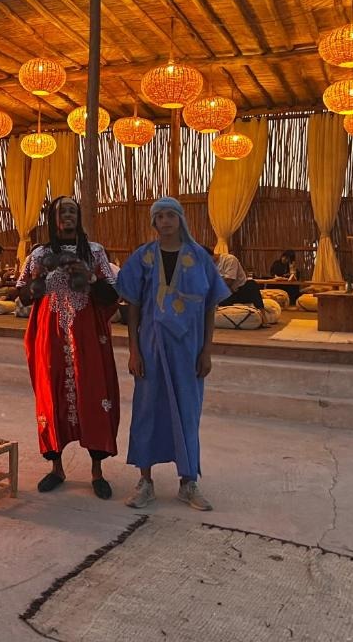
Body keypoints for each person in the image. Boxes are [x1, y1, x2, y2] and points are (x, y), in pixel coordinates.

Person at [117, 197, 230, 512]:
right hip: (151, 348)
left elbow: (210, 308)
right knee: (147, 410)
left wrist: (207, 351)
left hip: (188, 350)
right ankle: (145, 482)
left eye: (170, 215)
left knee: (187, 412)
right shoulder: (142, 258)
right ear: (153, 223)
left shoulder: (200, 258)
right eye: (159, 217)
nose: (165, 221)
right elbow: (133, 309)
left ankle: (188, 482)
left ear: (181, 219)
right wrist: (134, 351)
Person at [16, 196, 121, 499]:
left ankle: (97, 472)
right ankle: (56, 468)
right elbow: (21, 295)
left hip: (88, 334)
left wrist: (88, 277)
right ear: (52, 219)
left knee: (94, 394)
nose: (68, 216)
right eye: (62, 212)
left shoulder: (96, 252)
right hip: (51, 334)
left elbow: (112, 294)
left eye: (73, 211)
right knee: (52, 395)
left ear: (80, 217)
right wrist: (42, 281)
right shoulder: (39, 254)